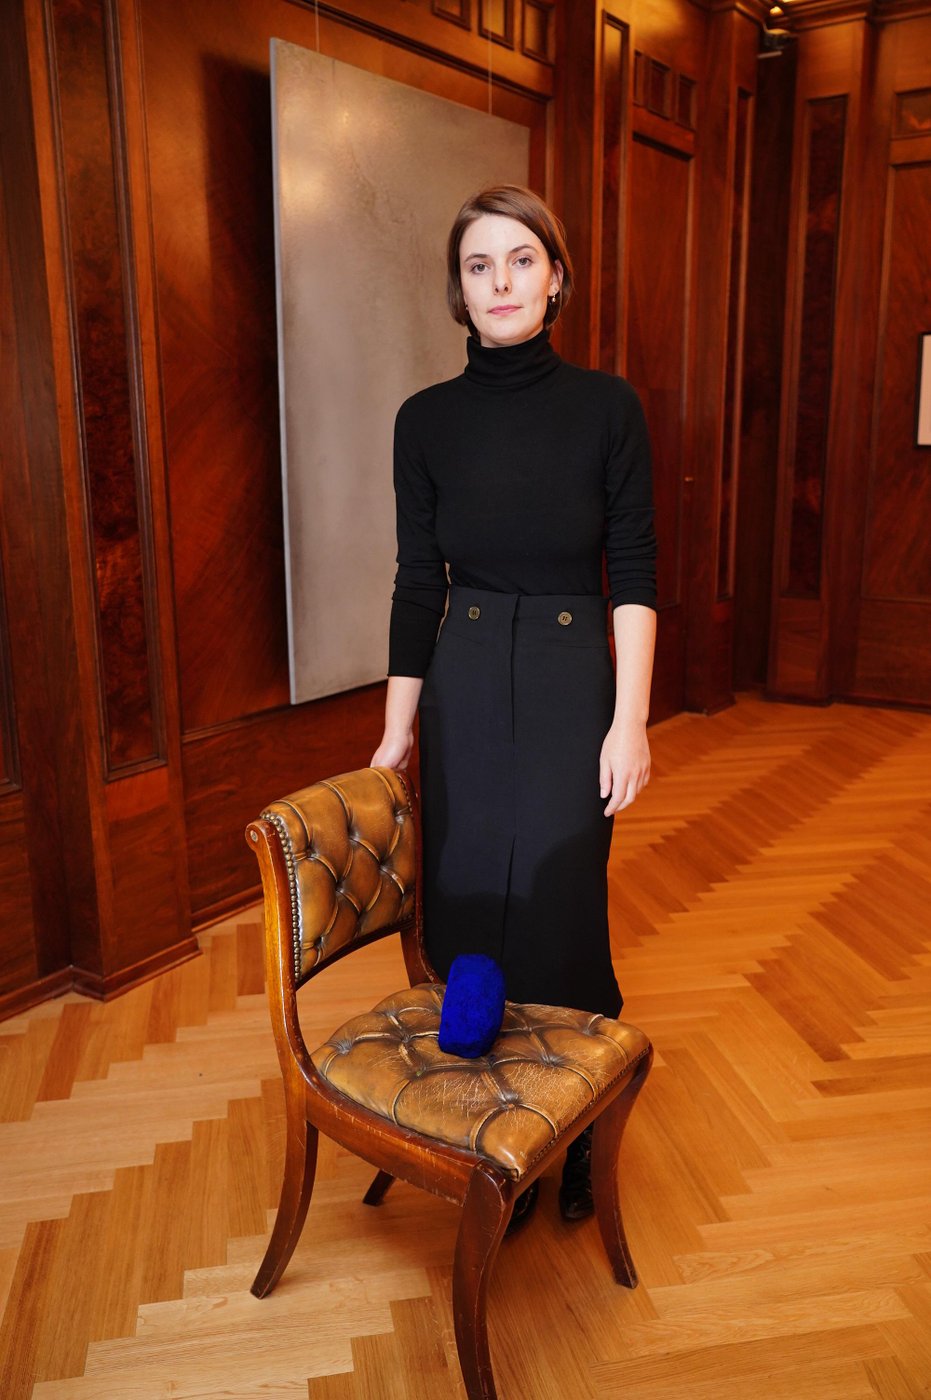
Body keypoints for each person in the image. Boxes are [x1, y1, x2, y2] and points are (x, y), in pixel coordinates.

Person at [371, 184, 657, 1233]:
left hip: (575, 675)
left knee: (559, 896)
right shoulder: (424, 421)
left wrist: (629, 718)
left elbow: (631, 568)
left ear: (555, 277)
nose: (500, 281)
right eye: (478, 265)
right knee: (461, 895)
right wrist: (400, 724)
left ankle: (574, 1127)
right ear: (458, 289)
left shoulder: (606, 407)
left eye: (521, 260)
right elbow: (415, 581)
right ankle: (487, 1119)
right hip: (462, 672)